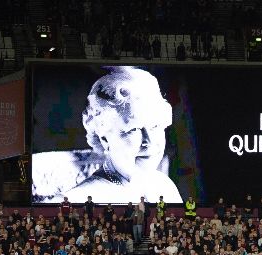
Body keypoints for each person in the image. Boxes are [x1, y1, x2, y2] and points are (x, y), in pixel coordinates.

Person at [51, 67, 182, 203]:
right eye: (133, 129)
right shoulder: (77, 200)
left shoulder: (165, 186)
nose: (149, 142)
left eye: (155, 126)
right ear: (104, 139)